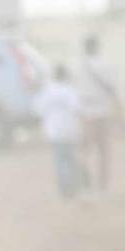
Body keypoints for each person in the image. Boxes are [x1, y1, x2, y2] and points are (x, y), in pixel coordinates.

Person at [76, 35, 121, 191]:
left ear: (85, 48)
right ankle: (103, 184)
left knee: (85, 150)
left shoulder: (78, 66)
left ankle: (85, 180)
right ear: (97, 47)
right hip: (104, 112)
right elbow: (113, 88)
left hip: (86, 113)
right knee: (104, 151)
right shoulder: (106, 65)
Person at [34, 64, 85, 198]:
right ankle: (73, 186)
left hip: (54, 131)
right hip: (69, 130)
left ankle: (64, 188)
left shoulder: (47, 91)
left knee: (59, 160)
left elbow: (38, 110)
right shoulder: (70, 91)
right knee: (70, 159)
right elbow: (77, 109)